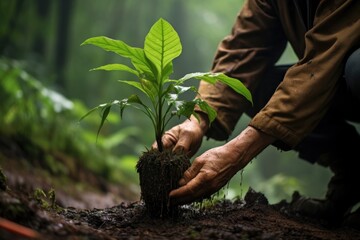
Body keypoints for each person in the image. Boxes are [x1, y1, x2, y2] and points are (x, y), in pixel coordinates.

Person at [155, 0, 360, 228]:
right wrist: (197, 120)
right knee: (253, 85)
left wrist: (238, 152)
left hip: (344, 73)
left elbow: (323, 62)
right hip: (333, 79)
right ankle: (352, 174)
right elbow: (242, 52)